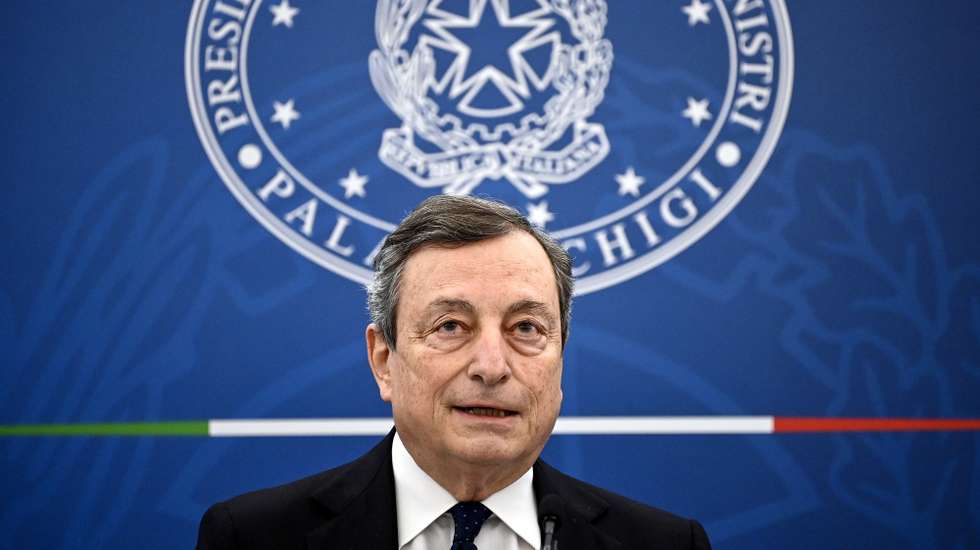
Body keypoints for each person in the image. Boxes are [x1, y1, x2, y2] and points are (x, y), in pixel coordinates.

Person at [196, 195, 711, 549]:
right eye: (450, 326)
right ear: (384, 361)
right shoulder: (251, 538)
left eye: (527, 327)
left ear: (561, 359)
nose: (491, 367)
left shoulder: (666, 543)